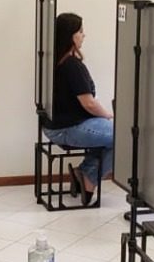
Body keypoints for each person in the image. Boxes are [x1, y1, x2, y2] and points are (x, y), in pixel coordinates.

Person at [42, 12, 114, 205]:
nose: (84, 35)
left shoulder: (55, 60)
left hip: (54, 126)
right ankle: (89, 179)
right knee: (127, 138)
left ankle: (81, 173)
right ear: (71, 36)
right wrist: (107, 115)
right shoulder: (72, 65)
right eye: (80, 32)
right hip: (67, 128)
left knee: (114, 135)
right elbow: (89, 103)